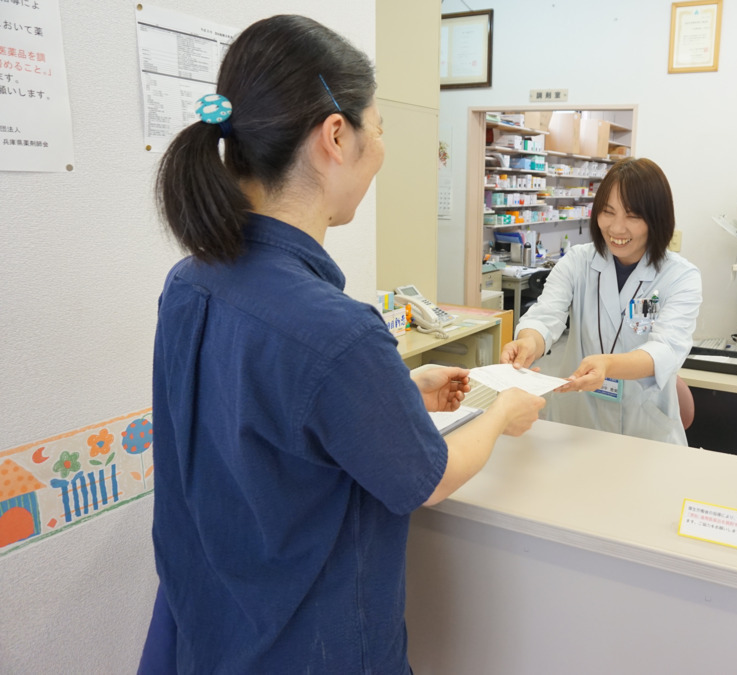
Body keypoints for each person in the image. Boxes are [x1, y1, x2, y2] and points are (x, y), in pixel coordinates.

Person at [139, 15, 545, 674]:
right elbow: (429, 479)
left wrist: (394, 392)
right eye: (378, 127)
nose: (381, 147)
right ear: (336, 135)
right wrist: (501, 414)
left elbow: (258, 425)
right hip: (311, 650)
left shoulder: (189, 284)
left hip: (208, 635)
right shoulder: (336, 329)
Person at [500, 157, 702, 446]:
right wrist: (528, 342)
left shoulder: (680, 276)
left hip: (644, 432)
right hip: (576, 423)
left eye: (633, 216)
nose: (617, 229)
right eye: (608, 212)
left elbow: (666, 349)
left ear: (657, 218)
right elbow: (545, 315)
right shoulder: (578, 261)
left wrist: (608, 365)